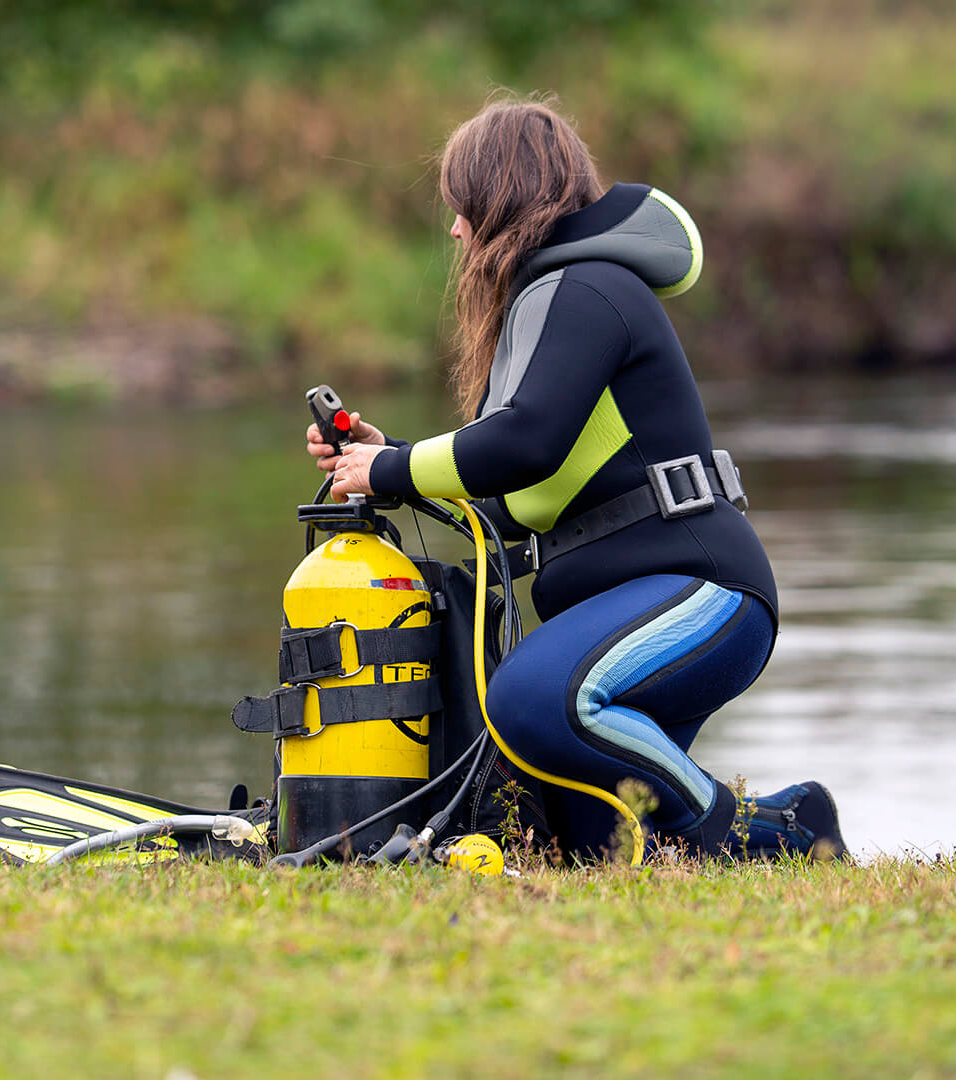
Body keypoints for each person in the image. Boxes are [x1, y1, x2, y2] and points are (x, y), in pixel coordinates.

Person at [305, 97, 846, 861]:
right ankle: (795, 819)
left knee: (531, 700)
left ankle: (758, 836)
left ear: (502, 198)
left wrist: (392, 464)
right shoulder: (547, 301)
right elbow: (511, 502)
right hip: (630, 614)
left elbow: (525, 439)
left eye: (462, 208)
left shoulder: (589, 289)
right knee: (597, 850)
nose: (455, 230)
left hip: (705, 594)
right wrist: (383, 462)